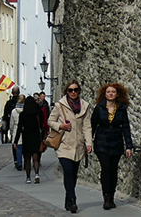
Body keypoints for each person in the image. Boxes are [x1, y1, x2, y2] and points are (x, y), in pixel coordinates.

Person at [49, 79, 92, 213]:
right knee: (67, 171)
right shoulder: (60, 105)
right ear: (66, 91)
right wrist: (60, 125)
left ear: (79, 91)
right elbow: (50, 121)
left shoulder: (84, 106)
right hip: (64, 144)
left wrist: (89, 143)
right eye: (70, 90)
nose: (73, 92)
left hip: (78, 145)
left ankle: (68, 199)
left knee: (73, 174)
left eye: (75, 90)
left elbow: (87, 126)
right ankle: (73, 199)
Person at [91, 83, 135, 210]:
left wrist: (128, 146)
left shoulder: (121, 108)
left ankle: (111, 196)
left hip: (116, 142)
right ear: (104, 94)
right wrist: (88, 143)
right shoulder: (99, 108)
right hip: (101, 142)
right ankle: (106, 198)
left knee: (113, 170)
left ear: (117, 94)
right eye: (108, 92)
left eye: (113, 92)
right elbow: (93, 126)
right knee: (106, 168)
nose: (110, 93)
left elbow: (126, 127)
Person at [13, 94, 44, 184]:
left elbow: (19, 128)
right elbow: (41, 125)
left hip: (26, 137)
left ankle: (28, 177)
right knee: (35, 157)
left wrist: (15, 141)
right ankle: (37, 174)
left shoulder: (23, 114)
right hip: (36, 136)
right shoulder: (37, 113)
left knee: (27, 158)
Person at [10, 95, 25, 171]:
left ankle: (19, 163)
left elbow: (11, 123)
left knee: (18, 148)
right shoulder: (26, 110)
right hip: (24, 129)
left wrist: (12, 131)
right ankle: (26, 163)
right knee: (25, 148)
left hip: (16, 129)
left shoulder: (14, 111)